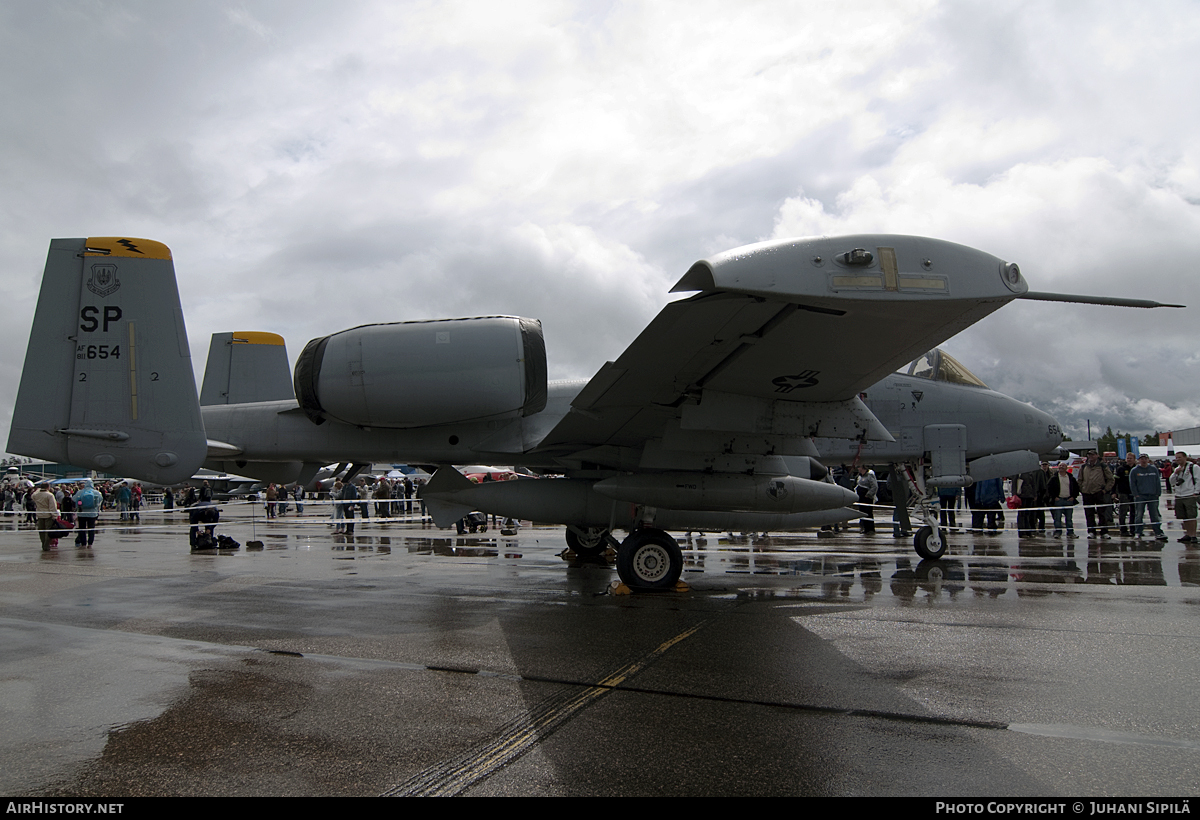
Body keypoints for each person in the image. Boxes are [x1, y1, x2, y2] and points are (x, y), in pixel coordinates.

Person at [1129, 453, 1168, 541]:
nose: (1143, 460)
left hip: (1152, 495)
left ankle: (1158, 532)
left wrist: (1158, 493)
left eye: (1145, 459)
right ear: (1139, 460)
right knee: (1139, 515)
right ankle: (1138, 532)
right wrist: (1136, 494)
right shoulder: (1135, 470)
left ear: (1148, 460)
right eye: (1141, 459)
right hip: (1140, 496)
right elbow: (1132, 484)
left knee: (1154, 515)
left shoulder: (1153, 469)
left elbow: (1157, 481)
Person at [1077, 451, 1115, 539]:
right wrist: (1082, 489)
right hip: (1087, 493)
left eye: (1093, 455)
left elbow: (1111, 479)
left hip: (1099, 493)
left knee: (1102, 513)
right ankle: (1091, 531)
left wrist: (1105, 490)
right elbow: (1079, 480)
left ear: (1097, 455)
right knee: (1089, 514)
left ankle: (1104, 532)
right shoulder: (1084, 467)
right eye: (1089, 455)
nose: (1091, 456)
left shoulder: (1102, 466)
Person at [1170, 452, 1199, 544]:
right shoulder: (1177, 469)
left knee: (1191, 516)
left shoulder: (1193, 467)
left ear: (1185, 458)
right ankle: (1188, 534)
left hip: (1189, 494)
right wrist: (1175, 473)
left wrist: (1196, 492)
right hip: (1179, 495)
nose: (1178, 459)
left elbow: (1198, 480)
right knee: (1184, 516)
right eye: (1176, 458)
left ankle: (1193, 535)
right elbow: (1172, 482)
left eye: (1179, 457)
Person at [1047, 464, 1079, 538]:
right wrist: (1054, 497)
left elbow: (1076, 488)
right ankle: (1058, 532)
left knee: (1069, 518)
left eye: (1063, 466)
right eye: (1060, 466)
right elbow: (1049, 488)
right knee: (1057, 518)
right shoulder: (1054, 478)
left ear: (1066, 468)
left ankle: (1070, 532)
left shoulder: (1071, 478)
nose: (1061, 467)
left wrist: (1073, 497)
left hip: (1068, 500)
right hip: (1059, 500)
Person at [73, 479, 103, 547]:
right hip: (92, 513)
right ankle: (90, 543)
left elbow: (73, 499)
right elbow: (101, 499)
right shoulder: (96, 492)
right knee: (91, 529)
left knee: (82, 529)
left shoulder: (80, 492)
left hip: (81, 513)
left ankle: (83, 543)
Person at [1113, 453, 1137, 536]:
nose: (1129, 460)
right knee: (1123, 512)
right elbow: (1115, 482)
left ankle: (1133, 529)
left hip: (1134, 493)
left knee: (1134, 512)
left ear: (1134, 459)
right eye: (1128, 458)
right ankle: (1123, 529)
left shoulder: (1137, 469)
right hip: (1123, 493)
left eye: (1131, 458)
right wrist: (1114, 493)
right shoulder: (1120, 469)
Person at [32, 482, 58, 551]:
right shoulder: (49, 495)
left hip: (39, 514)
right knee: (48, 531)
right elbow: (52, 506)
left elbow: (33, 495)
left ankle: (43, 543)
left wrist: (38, 490)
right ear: (48, 487)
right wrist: (54, 516)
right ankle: (46, 546)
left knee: (41, 531)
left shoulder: (36, 495)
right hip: (48, 515)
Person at [855, 465, 877, 533]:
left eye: (859, 467)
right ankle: (865, 528)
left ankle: (870, 529)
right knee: (862, 512)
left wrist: (868, 494)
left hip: (866, 498)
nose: (858, 469)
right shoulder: (860, 476)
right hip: (861, 497)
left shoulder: (869, 476)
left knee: (868, 512)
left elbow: (874, 486)